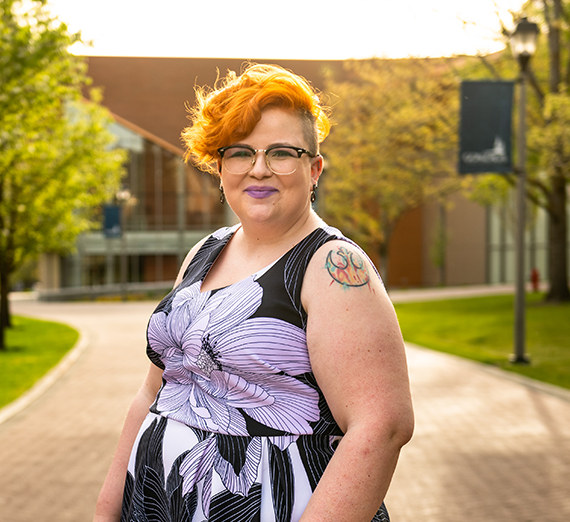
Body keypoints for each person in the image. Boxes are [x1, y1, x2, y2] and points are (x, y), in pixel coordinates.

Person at [93, 63, 414, 522]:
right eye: (241, 152)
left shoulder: (331, 267)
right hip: (156, 502)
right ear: (221, 167)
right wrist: (109, 507)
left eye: (282, 152)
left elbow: (382, 427)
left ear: (315, 168)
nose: (259, 169)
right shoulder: (205, 251)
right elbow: (153, 391)